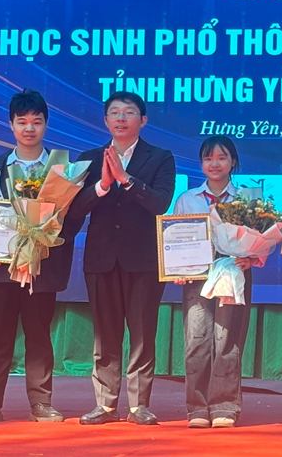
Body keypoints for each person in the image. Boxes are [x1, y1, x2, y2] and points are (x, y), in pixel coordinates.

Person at [0, 89, 81, 424]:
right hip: (2, 266)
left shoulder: (63, 169)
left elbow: (74, 216)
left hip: (43, 264)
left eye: (36, 121)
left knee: (38, 333)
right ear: (11, 125)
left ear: (46, 124)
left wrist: (47, 238)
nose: (29, 128)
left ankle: (41, 403)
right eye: (22, 121)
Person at [68, 91, 176, 426]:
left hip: (143, 259)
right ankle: (105, 404)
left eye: (128, 112)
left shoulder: (161, 158)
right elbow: (73, 209)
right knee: (105, 333)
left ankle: (139, 405)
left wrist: (127, 180)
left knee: (142, 333)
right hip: (101, 259)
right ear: (106, 121)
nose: (121, 118)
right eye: (114, 112)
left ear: (143, 120)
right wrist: (102, 185)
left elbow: (160, 203)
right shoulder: (89, 159)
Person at [172, 136, 255, 429]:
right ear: (201, 164)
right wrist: (177, 268)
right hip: (197, 276)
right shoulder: (187, 199)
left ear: (233, 161)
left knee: (227, 340)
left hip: (233, 273)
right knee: (196, 340)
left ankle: (224, 406)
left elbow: (259, 239)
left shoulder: (247, 198)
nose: (215, 164)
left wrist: (251, 258)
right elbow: (175, 238)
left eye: (221, 158)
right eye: (208, 159)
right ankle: (196, 408)